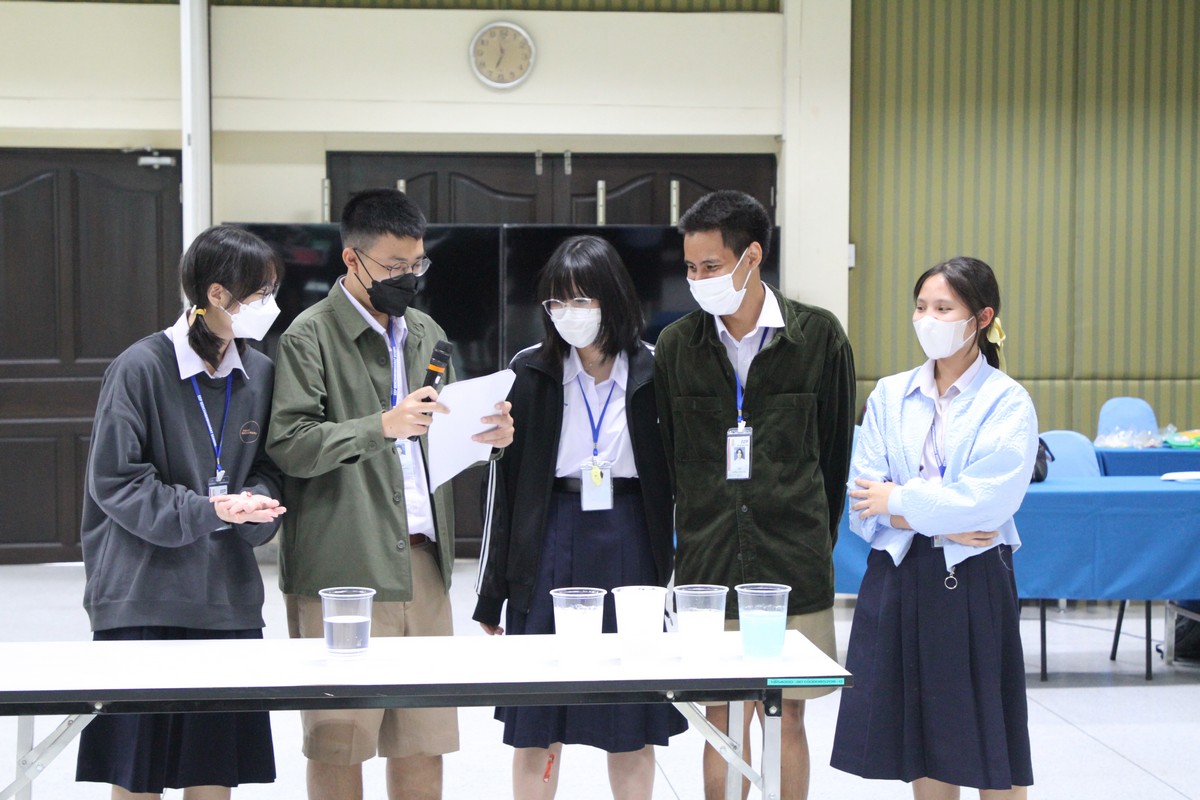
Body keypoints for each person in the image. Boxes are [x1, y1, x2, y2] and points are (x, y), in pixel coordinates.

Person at [266, 188, 514, 800]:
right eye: (394, 266)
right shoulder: (308, 336)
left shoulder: (427, 331)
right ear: (352, 259)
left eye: (417, 263)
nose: (409, 277)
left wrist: (491, 437)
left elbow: (446, 427)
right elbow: (290, 445)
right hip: (343, 569)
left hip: (422, 562)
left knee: (423, 741)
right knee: (340, 742)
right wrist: (381, 425)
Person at [653, 190, 856, 800]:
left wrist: (813, 536)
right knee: (721, 714)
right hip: (709, 562)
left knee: (787, 711)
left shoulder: (818, 337)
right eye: (690, 268)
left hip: (791, 558)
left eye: (711, 266)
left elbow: (834, 457)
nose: (698, 280)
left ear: (752, 257)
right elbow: (671, 460)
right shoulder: (677, 346)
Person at [76, 225, 287, 799]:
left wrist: (257, 504)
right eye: (261, 294)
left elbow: (270, 466)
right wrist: (213, 510)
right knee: (137, 775)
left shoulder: (261, 373)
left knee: (213, 774)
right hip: (144, 596)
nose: (270, 306)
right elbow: (116, 481)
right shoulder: (140, 367)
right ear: (217, 294)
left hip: (226, 600)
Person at [473, 235, 686, 800]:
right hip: (549, 533)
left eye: (580, 300)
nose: (567, 313)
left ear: (612, 299)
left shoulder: (656, 368)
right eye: (556, 302)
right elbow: (503, 491)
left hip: (630, 532)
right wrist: (492, 594)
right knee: (538, 716)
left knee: (630, 714)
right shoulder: (528, 370)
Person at [830, 256, 1037, 799]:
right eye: (921, 307)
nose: (927, 319)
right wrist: (941, 521)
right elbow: (863, 502)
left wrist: (900, 502)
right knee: (922, 740)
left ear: (982, 319)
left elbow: (987, 503)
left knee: (990, 736)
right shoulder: (889, 395)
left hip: (974, 579)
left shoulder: (1006, 401)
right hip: (899, 576)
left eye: (944, 308)